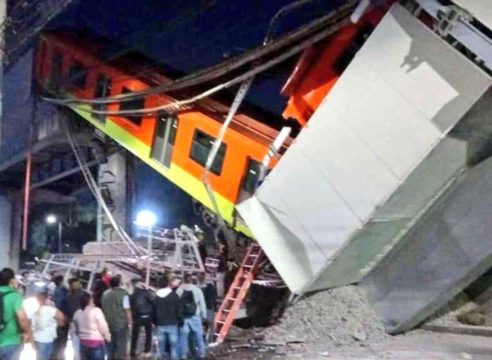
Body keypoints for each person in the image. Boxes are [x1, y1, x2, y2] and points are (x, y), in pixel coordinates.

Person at [0, 268, 32, 360]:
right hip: (11, 341)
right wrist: (28, 332)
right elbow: (22, 318)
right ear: (12, 280)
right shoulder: (14, 296)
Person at [101, 275, 132, 360]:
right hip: (120, 324)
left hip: (107, 323)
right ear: (120, 283)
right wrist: (130, 322)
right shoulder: (123, 294)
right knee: (120, 347)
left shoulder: (105, 294)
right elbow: (127, 310)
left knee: (110, 347)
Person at [177, 274, 207, 360]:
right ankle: (202, 354)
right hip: (195, 316)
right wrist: (204, 315)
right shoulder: (197, 289)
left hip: (183, 317)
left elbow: (176, 304)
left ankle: (183, 355)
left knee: (183, 338)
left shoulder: (179, 290)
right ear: (191, 280)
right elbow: (202, 303)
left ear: (183, 280)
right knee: (199, 337)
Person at [73, 293, 111, 360]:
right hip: (96, 343)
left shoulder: (77, 313)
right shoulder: (96, 311)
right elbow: (103, 327)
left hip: (83, 343)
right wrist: (107, 337)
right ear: (90, 300)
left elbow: (76, 330)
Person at [154, 276, 183, 360]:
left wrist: (155, 322)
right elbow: (179, 310)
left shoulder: (156, 297)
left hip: (160, 324)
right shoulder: (174, 296)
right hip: (172, 324)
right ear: (168, 284)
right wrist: (180, 321)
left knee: (161, 347)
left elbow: (153, 311)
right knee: (174, 347)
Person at [31, 291, 65, 360]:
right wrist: (56, 325)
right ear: (47, 299)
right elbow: (62, 318)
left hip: (37, 338)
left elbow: (32, 326)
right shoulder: (51, 310)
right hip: (46, 339)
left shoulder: (35, 311)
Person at [129, 279, 154, 359]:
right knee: (148, 334)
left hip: (137, 317)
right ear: (141, 285)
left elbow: (130, 307)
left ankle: (133, 352)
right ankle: (147, 351)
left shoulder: (132, 295)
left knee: (135, 335)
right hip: (147, 316)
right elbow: (153, 302)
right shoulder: (146, 293)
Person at [67, 278, 86, 360]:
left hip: (73, 322)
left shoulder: (69, 295)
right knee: (80, 344)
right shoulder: (82, 294)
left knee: (76, 344)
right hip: (81, 321)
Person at [50, 275, 69, 360]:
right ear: (61, 281)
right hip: (63, 317)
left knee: (56, 339)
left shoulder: (54, 291)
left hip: (55, 317)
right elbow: (64, 304)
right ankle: (60, 357)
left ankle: (54, 356)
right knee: (62, 340)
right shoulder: (63, 290)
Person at [197, 272, 217, 342]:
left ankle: (202, 340)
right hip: (208, 308)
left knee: (201, 326)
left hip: (200, 310)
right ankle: (210, 340)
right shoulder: (210, 286)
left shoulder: (196, 288)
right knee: (211, 326)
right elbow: (213, 298)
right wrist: (215, 309)